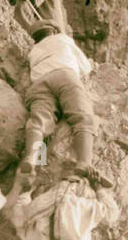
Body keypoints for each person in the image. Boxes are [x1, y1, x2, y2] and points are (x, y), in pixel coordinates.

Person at [24, 22, 97, 168]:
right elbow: (85, 67)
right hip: (64, 75)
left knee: (39, 121)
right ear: (52, 31)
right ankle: (84, 162)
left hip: (39, 83)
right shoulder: (63, 39)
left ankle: (32, 159)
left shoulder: (33, 52)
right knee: (82, 116)